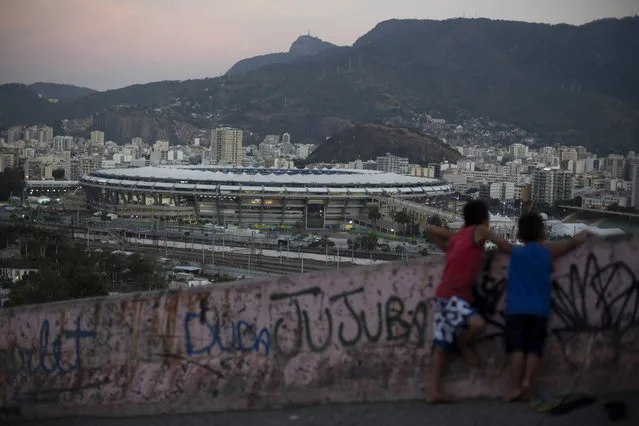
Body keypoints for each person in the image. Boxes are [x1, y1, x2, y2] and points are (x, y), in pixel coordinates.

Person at [425, 200, 513, 403]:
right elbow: (504, 245)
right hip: (454, 297)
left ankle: (433, 391)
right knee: (477, 324)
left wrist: (441, 241)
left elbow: (434, 232)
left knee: (440, 347)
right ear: (484, 219)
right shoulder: (480, 231)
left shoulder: (460, 236)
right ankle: (463, 342)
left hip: (443, 294)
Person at [503, 213, 592, 402]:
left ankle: (514, 388)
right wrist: (588, 233)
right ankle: (527, 381)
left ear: (520, 235)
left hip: (515, 309)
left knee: (517, 349)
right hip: (539, 309)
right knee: (535, 348)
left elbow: (494, 240)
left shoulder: (515, 252)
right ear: (542, 233)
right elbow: (574, 242)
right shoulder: (547, 252)